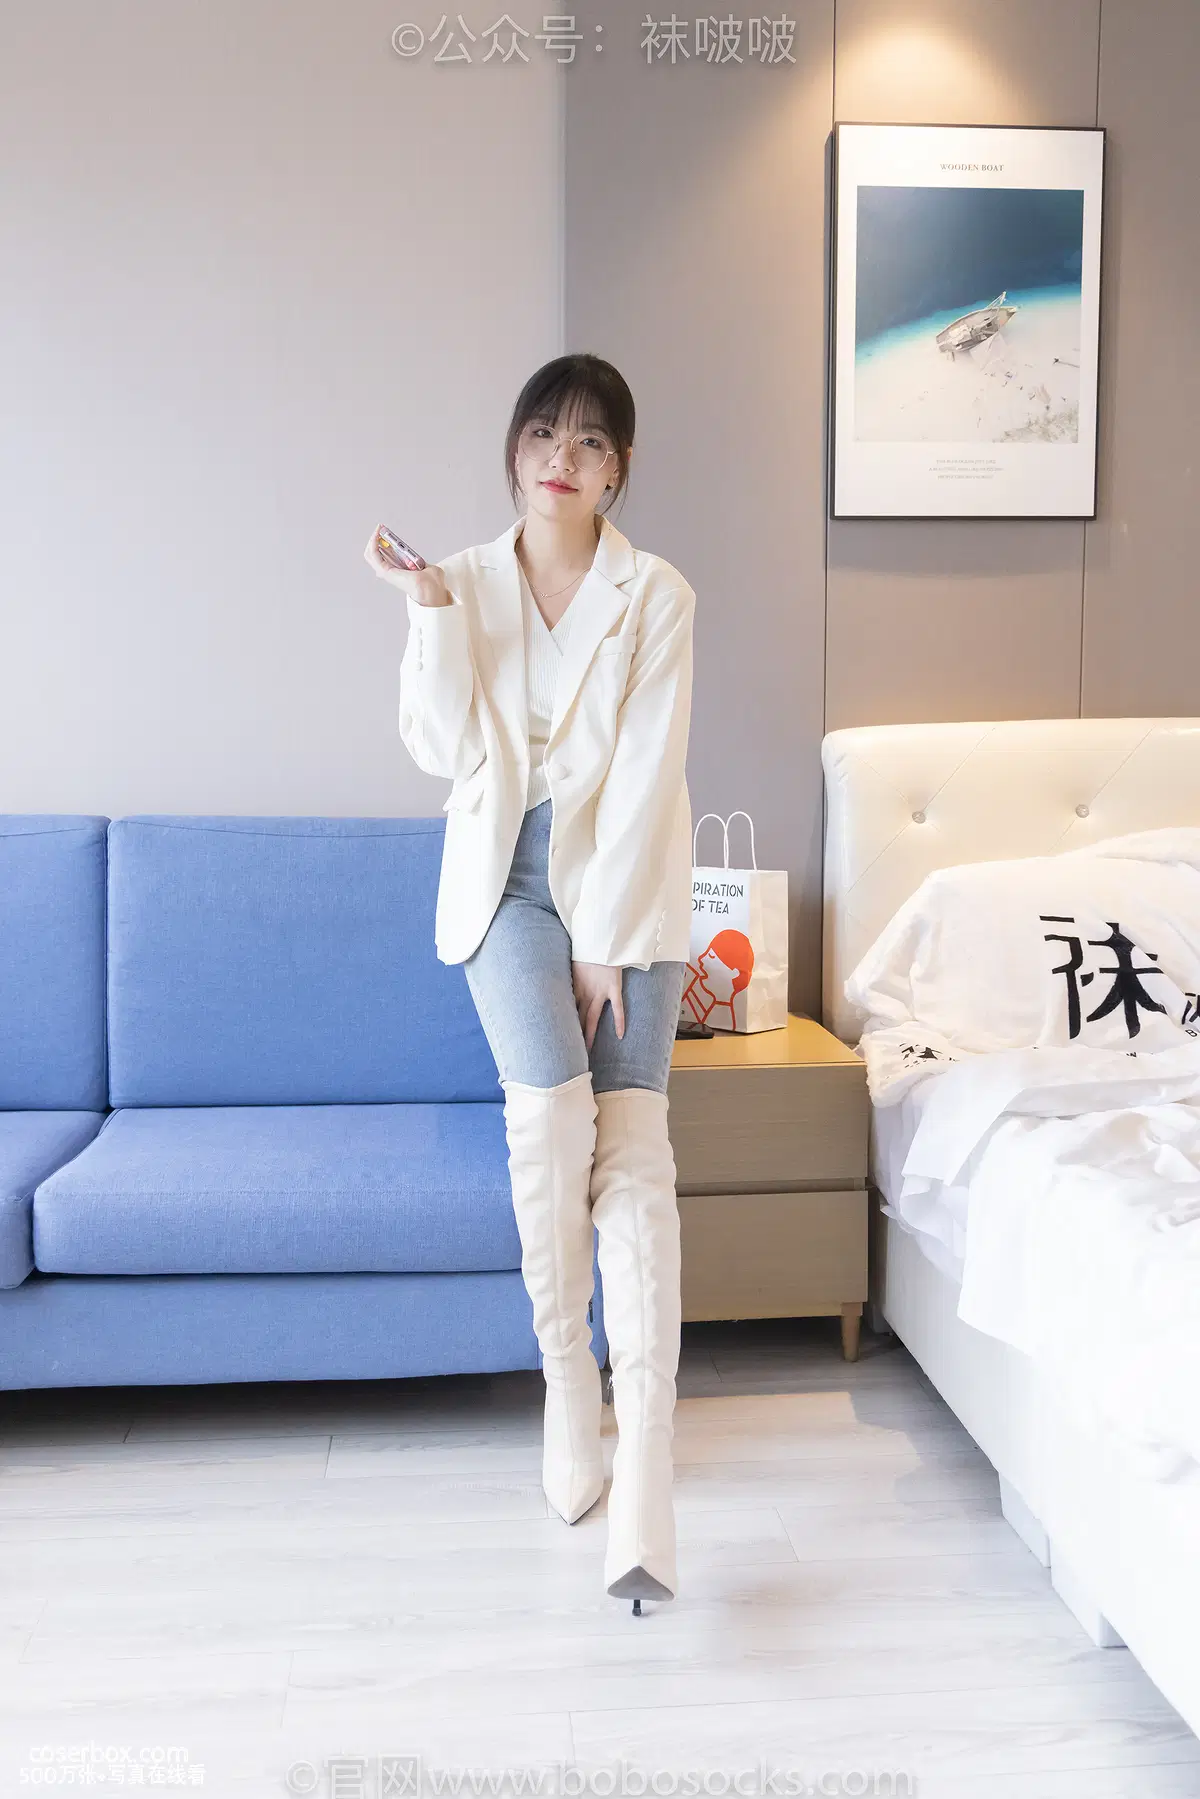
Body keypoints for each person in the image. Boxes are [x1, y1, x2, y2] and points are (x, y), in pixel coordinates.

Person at [364, 353, 696, 1611]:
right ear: (516, 449)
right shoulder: (467, 576)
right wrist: (429, 612)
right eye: (545, 432)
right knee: (553, 1121)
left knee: (636, 1148)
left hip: (628, 889)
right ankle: (571, 1385)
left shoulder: (657, 593)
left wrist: (605, 936)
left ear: (620, 469)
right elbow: (441, 750)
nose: (564, 456)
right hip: (503, 884)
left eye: (592, 440)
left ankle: (648, 1457)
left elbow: (649, 772)